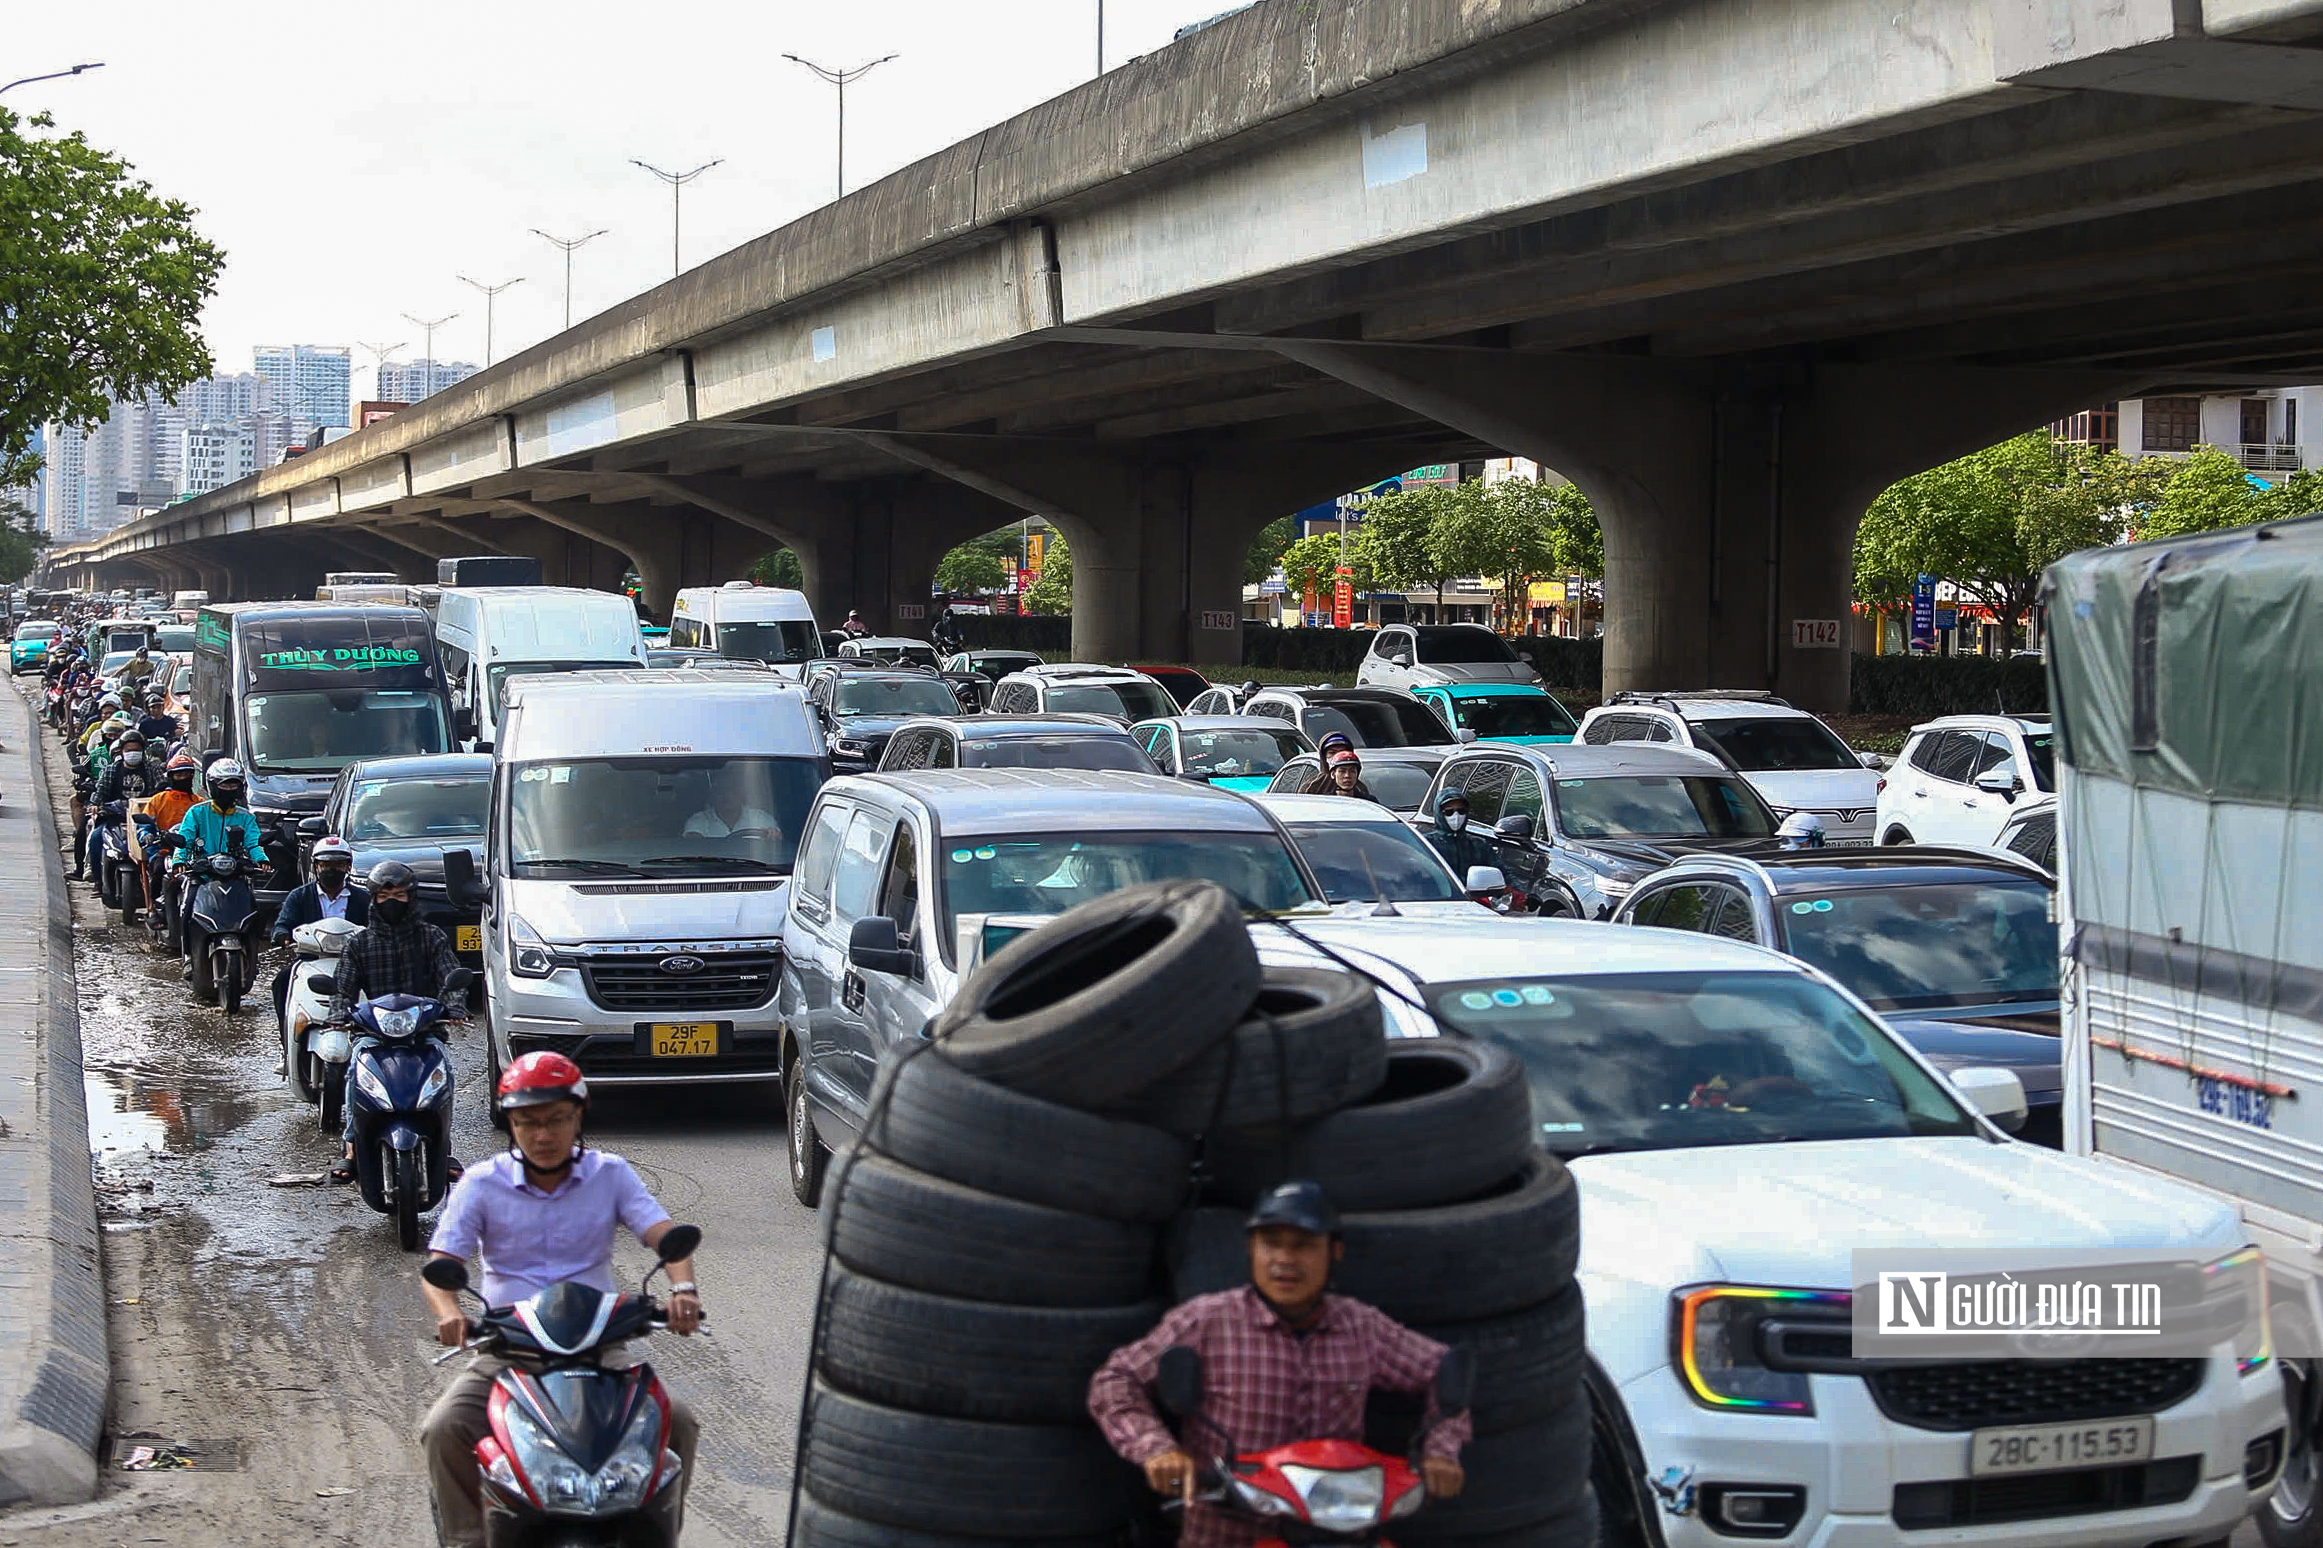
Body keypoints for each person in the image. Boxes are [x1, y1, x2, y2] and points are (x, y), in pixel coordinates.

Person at [419, 1052, 703, 1548]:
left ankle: (655, 1535)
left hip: (599, 1350)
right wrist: (450, 1314)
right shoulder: (481, 1184)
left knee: (677, 1420)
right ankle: (468, 1539)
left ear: (579, 1116)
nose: (543, 1135)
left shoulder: (610, 1175)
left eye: (556, 1120)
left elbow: (666, 1236)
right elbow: (440, 1268)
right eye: (528, 1122)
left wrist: (683, 1290)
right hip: (510, 1354)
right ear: (511, 1123)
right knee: (443, 1428)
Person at [1088, 1181, 1468, 1548]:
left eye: (1303, 1246)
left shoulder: (1362, 1328)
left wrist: (1440, 1454)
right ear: (1251, 1249)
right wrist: (1157, 1450)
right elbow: (1115, 1380)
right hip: (1228, 1536)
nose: (1285, 1260)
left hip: (1336, 1535)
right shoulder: (1205, 1321)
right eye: (1271, 1244)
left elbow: (1444, 1369)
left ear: (1335, 1252)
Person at [329, 859, 467, 1183]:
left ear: (412, 897)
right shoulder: (359, 943)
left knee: (444, 1070)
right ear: (374, 899)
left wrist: (455, 1007)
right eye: (385, 894)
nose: (392, 901)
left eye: (400, 894)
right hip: (373, 1034)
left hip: (424, 1032)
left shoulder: (431, 937)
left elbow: (451, 978)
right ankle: (351, 1148)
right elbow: (342, 988)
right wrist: (338, 1014)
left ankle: (444, 1146)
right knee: (354, 1072)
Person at [269, 836, 370, 1044]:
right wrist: (282, 935)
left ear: (348, 866)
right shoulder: (299, 896)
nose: (331, 870)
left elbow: (377, 928)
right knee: (282, 982)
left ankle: (373, 1041)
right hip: (310, 961)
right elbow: (282, 923)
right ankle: (286, 1040)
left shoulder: (363, 899)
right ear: (316, 867)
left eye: (338, 864)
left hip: (354, 964)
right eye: (326, 865)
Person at [683, 765, 780, 839]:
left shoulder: (762, 819)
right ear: (713, 794)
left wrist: (774, 836)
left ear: (741, 792)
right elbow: (693, 846)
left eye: (732, 789)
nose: (726, 795)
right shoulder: (698, 821)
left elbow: (776, 847)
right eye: (721, 790)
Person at [1422, 789, 1496, 880]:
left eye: (1461, 811)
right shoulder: (1426, 845)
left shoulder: (1479, 845)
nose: (1456, 816)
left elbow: (1504, 873)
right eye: (1449, 812)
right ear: (1439, 814)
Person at [1300, 735, 1378, 802]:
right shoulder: (1312, 788)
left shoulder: (1363, 793)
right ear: (1333, 774)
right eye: (1342, 771)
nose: (1347, 776)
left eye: (1352, 771)